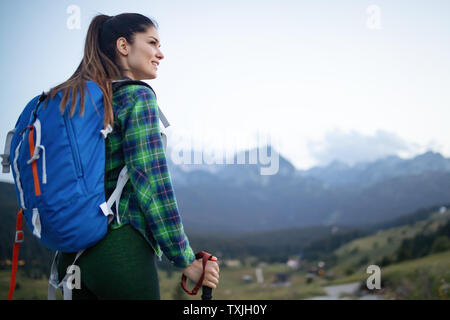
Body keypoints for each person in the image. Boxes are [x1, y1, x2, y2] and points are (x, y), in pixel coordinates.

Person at [52, 13, 219, 299]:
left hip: (71, 257)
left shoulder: (76, 101)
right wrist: (184, 258)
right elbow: (152, 183)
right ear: (123, 46)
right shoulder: (136, 97)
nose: (160, 53)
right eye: (152, 42)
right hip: (120, 251)